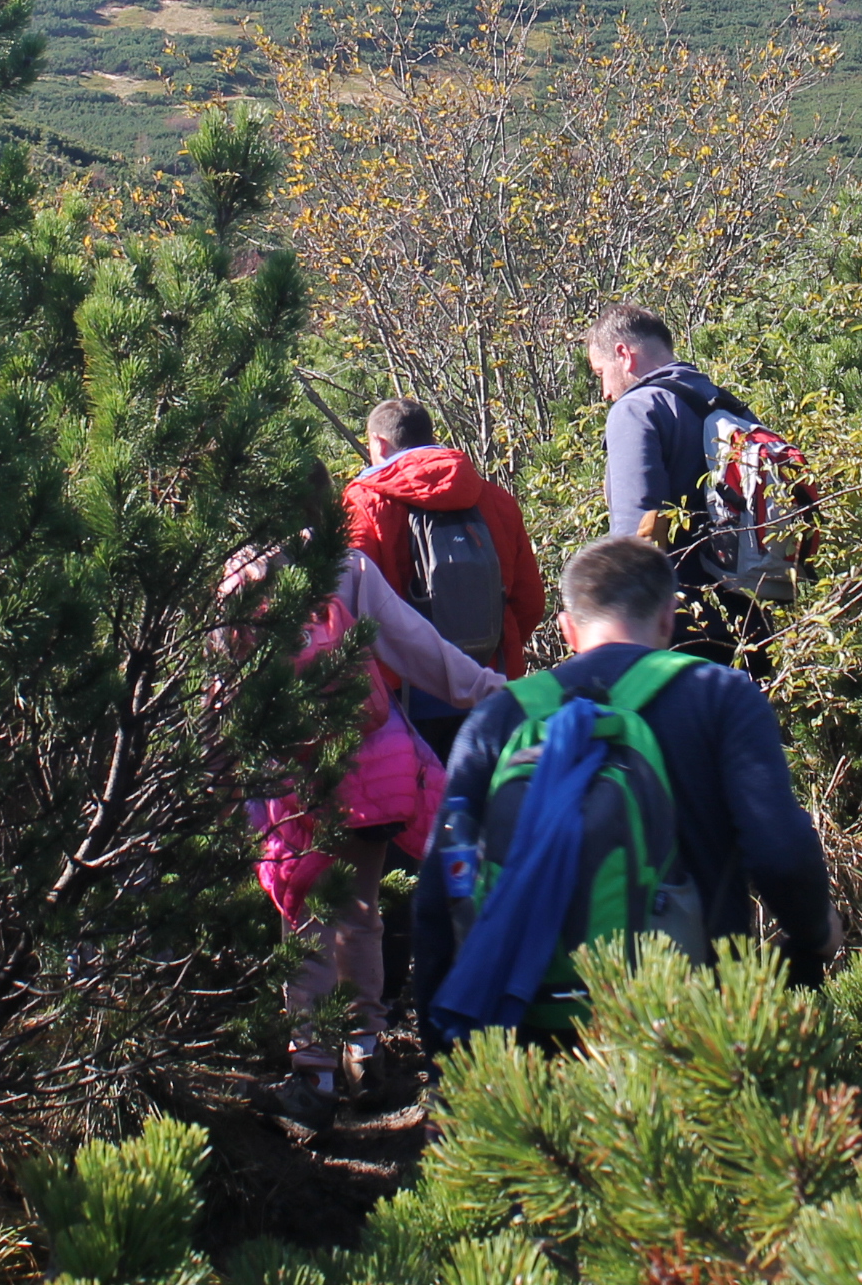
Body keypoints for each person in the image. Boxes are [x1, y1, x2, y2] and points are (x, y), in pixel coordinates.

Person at [410, 535, 837, 1044]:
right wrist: (813, 936)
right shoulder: (721, 697)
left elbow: (444, 879)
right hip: (689, 1023)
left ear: (568, 629)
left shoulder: (501, 716)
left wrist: (446, 1046)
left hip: (527, 1026)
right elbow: (779, 851)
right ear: (668, 618)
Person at [224, 541, 501, 1131]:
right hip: (376, 769)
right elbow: (416, 645)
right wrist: (490, 690)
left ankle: (314, 1077)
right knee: (359, 912)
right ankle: (365, 1056)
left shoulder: (240, 575)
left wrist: (209, 772)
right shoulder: (346, 566)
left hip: (294, 780)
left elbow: (223, 686)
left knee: (306, 922)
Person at [342, 397, 547, 759]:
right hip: (489, 682)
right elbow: (529, 601)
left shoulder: (363, 503)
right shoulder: (494, 498)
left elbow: (351, 604)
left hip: (403, 696)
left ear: (379, 443)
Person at [583, 303, 763, 662]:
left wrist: (625, 639)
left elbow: (637, 531)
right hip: (748, 621)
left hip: (678, 629)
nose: (604, 391)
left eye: (601, 373)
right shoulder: (727, 405)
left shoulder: (636, 409)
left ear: (624, 355)